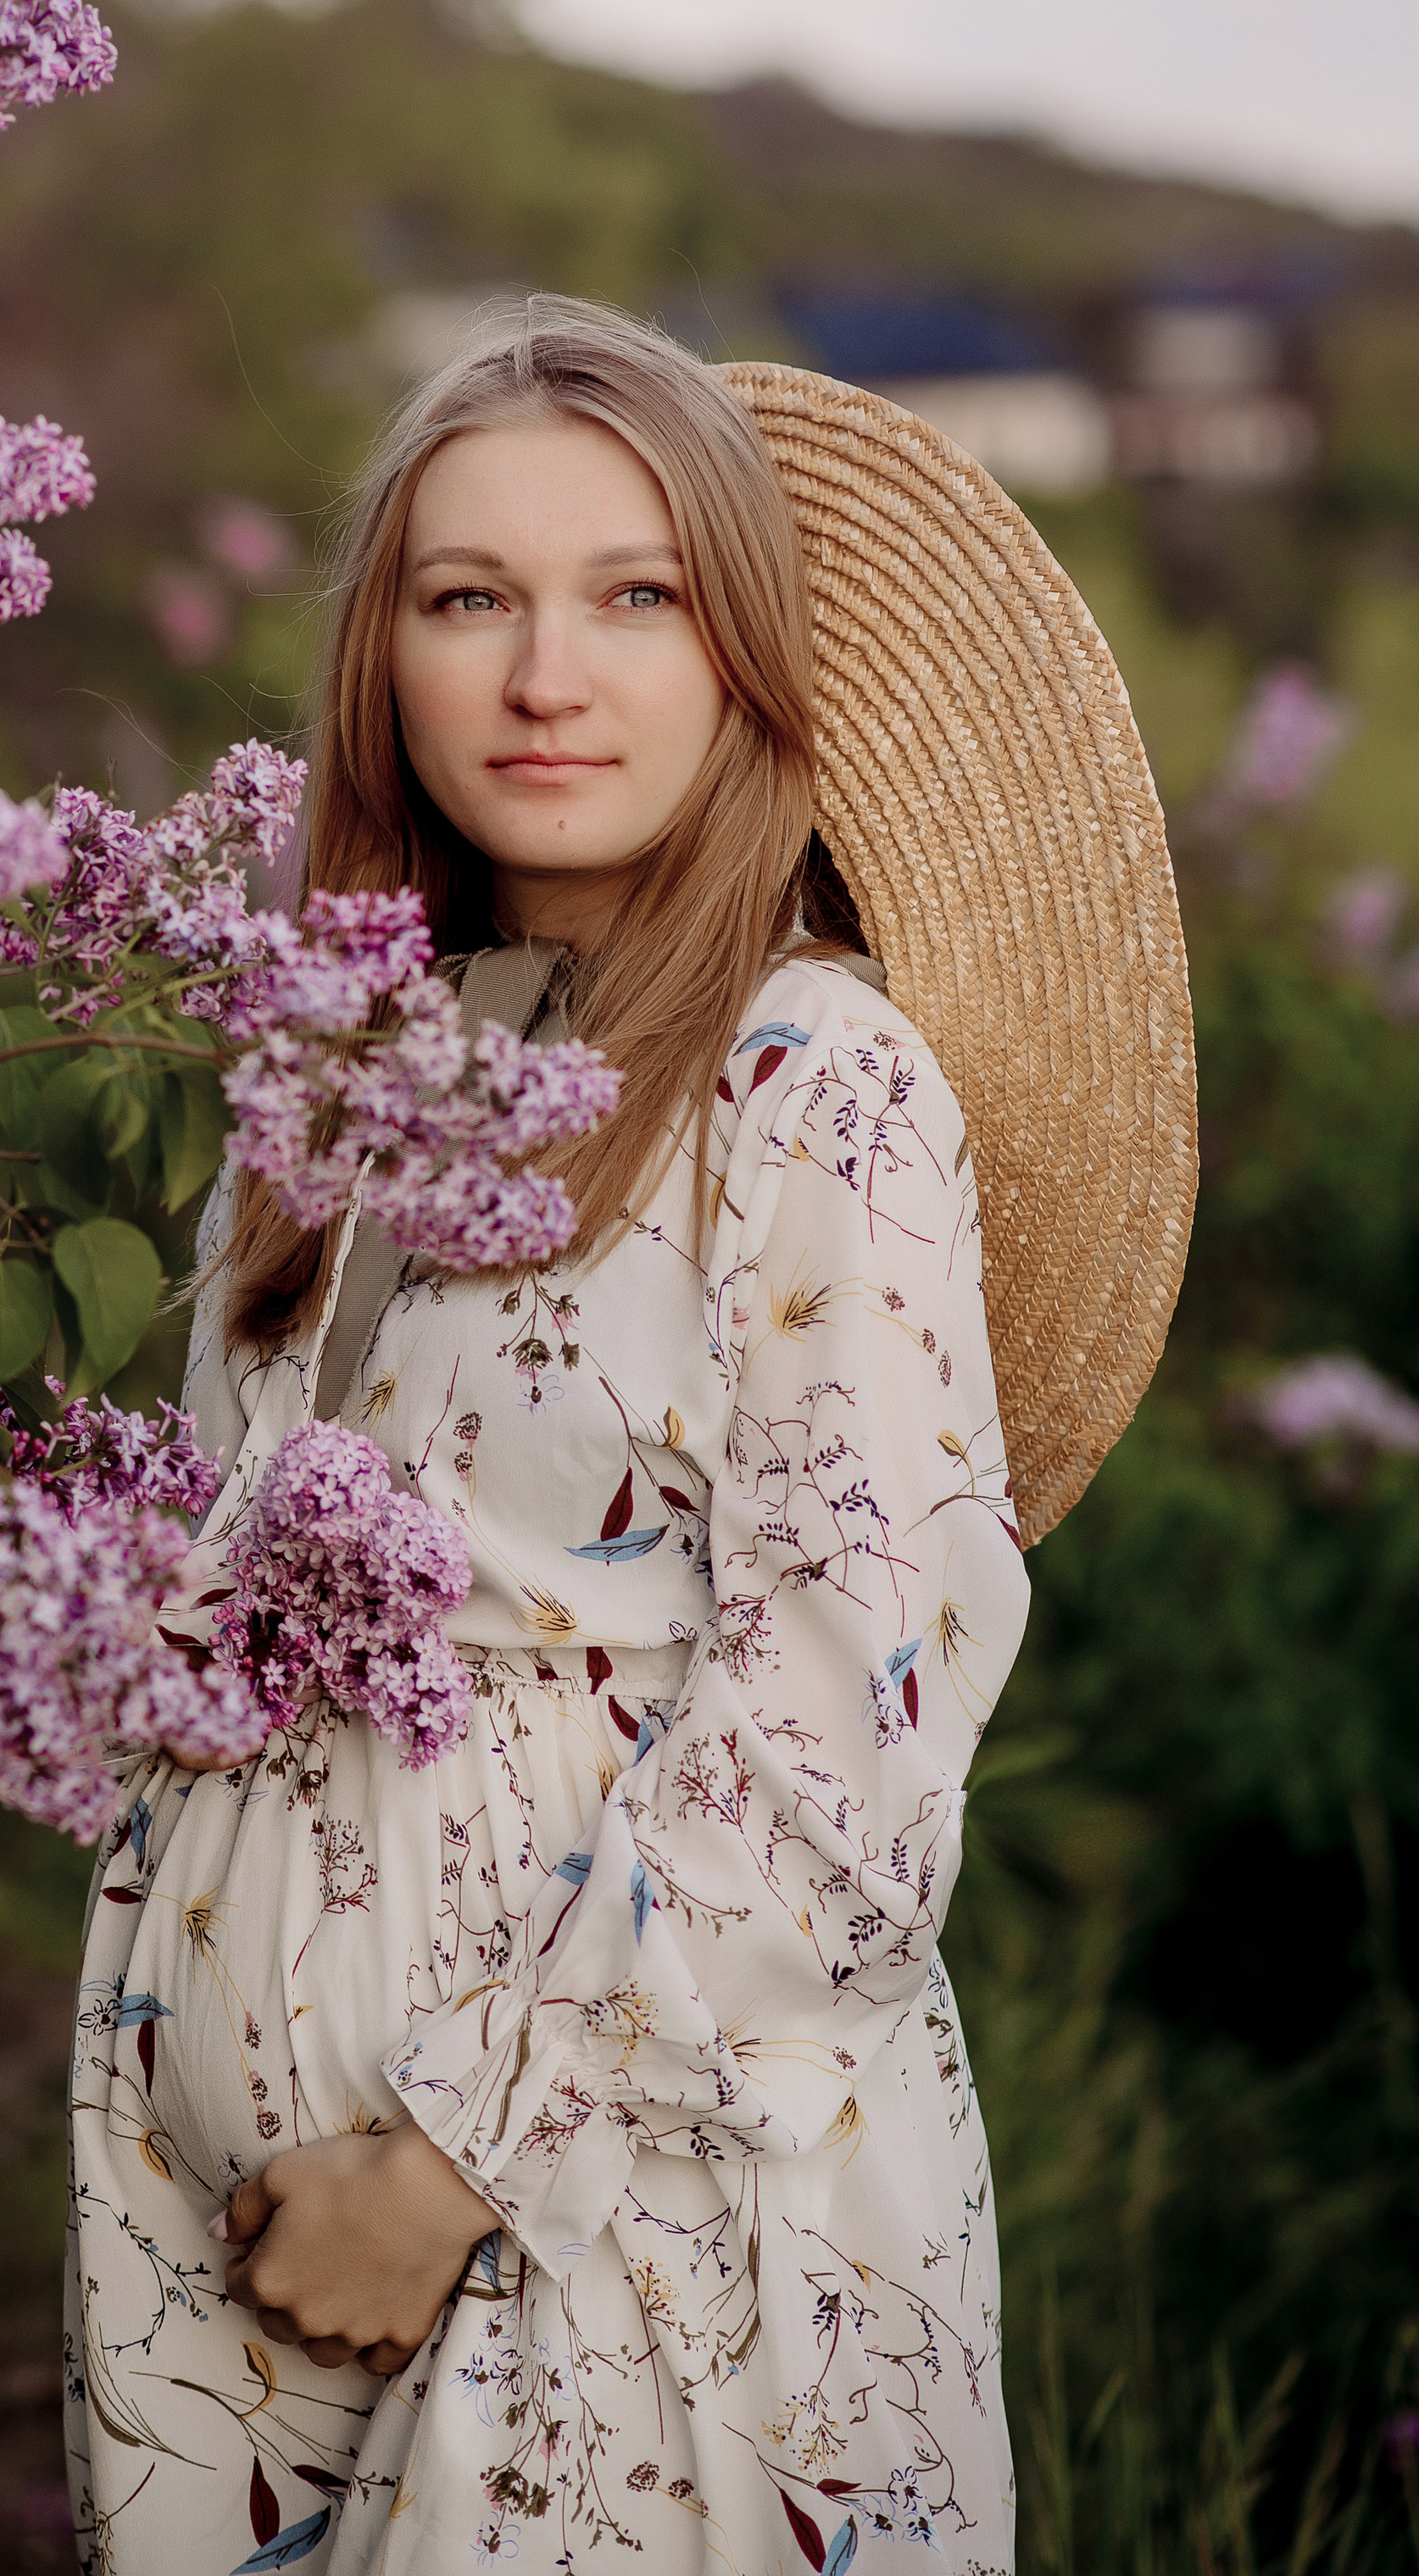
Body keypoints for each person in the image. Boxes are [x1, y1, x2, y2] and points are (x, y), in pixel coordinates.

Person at [64, 297, 1194, 2572]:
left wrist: (452, 2161)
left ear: (745, 662)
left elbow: (848, 1719)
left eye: (632, 597)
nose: (541, 676)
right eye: (467, 598)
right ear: (384, 657)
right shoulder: (338, 1083)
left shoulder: (810, 1081)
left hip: (613, 2221)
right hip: (233, 2264)